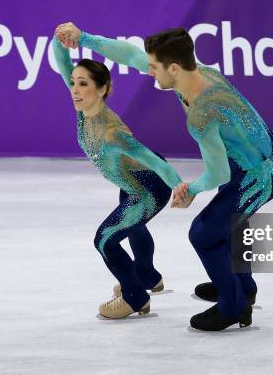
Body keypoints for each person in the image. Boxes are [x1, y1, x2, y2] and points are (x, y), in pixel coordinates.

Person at [56, 22, 273, 331]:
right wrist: (84, 38)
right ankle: (241, 288)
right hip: (250, 160)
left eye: (155, 67)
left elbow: (217, 173)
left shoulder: (202, 114)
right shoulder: (198, 72)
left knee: (204, 234)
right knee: (226, 223)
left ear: (174, 68)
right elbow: (129, 55)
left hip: (262, 174)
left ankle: (234, 306)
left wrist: (189, 188)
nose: (149, 71)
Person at [51, 31, 183, 319]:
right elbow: (62, 61)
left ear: (102, 89)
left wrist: (180, 187)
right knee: (135, 227)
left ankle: (136, 298)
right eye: (74, 82)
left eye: (83, 84)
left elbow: (154, 162)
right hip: (130, 180)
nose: (74, 88)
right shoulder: (83, 107)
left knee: (105, 240)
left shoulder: (114, 133)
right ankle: (148, 277)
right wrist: (59, 38)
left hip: (149, 187)